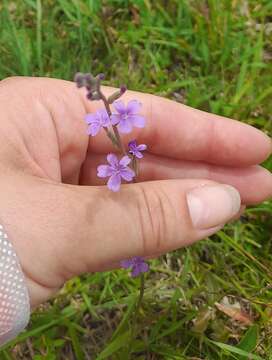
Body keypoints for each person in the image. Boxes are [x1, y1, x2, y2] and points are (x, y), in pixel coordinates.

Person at [0, 76, 271, 343]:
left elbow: (125, 146)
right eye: (105, 120)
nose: (107, 121)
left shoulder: (121, 124)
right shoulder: (108, 126)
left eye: (109, 118)